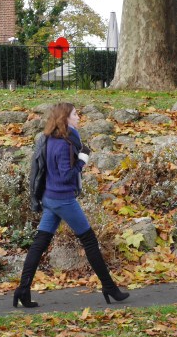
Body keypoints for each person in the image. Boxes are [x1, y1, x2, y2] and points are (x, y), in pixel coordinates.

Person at [13, 102, 130, 308]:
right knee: (90, 241)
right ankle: (109, 287)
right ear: (65, 119)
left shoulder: (49, 139)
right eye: (75, 114)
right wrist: (83, 160)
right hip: (63, 199)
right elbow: (66, 176)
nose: (79, 117)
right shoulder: (63, 145)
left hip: (49, 198)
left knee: (39, 243)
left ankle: (23, 289)